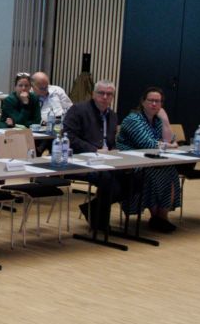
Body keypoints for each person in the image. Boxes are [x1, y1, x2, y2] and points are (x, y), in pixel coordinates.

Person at [64, 79, 124, 231]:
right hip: (80, 161)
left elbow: (110, 141)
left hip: (107, 160)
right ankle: (101, 224)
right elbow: (69, 136)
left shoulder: (113, 115)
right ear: (93, 94)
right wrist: (94, 150)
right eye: (101, 93)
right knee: (107, 179)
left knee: (135, 177)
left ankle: (91, 208)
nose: (105, 97)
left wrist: (114, 150)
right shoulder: (78, 110)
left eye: (109, 94)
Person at [119, 86, 181, 231]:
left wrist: (165, 121)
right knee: (153, 173)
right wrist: (168, 145)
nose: (154, 104)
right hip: (130, 161)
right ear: (143, 102)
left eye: (158, 101)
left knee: (170, 171)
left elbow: (169, 139)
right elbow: (147, 144)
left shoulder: (158, 119)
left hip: (151, 159)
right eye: (151, 100)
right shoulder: (133, 119)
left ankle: (161, 217)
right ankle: (157, 217)